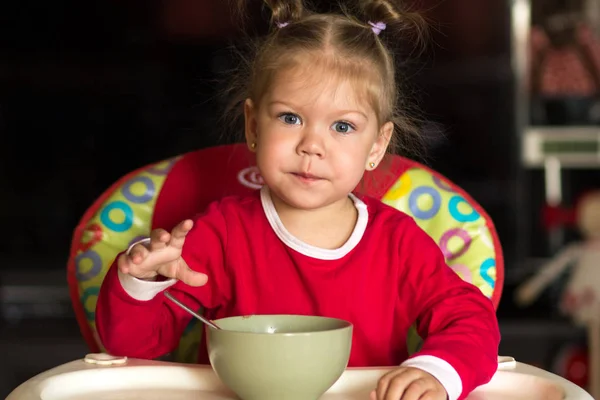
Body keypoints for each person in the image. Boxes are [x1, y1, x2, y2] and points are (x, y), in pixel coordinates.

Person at [95, 1, 500, 399]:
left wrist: (434, 373)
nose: (312, 146)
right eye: (290, 118)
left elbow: (470, 320)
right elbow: (132, 346)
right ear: (253, 125)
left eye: (342, 126)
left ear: (376, 146)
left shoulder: (398, 243)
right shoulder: (220, 233)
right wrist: (143, 282)